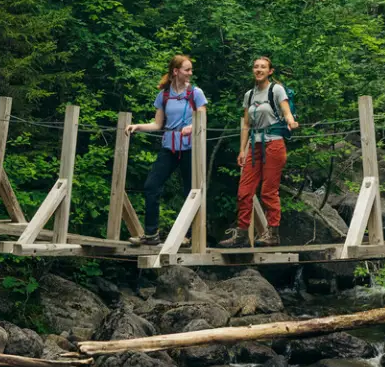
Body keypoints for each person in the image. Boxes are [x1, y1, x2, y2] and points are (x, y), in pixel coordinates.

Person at [125, 54, 207, 246]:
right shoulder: (164, 95)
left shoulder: (196, 93)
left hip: (190, 148)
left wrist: (192, 126)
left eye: (191, 69)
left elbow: (202, 119)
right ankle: (151, 233)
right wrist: (138, 126)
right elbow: (157, 124)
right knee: (151, 185)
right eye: (187, 69)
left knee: (191, 191)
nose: (190, 73)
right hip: (169, 146)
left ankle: (187, 235)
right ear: (175, 71)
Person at [222, 56, 298, 247]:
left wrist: (290, 121)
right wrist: (242, 150)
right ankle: (241, 235)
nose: (259, 70)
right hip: (254, 147)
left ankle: (272, 233)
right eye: (256, 67)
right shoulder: (249, 95)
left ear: (270, 71)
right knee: (244, 191)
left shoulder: (276, 89)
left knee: (268, 191)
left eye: (263, 67)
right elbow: (246, 124)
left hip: (274, 145)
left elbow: (286, 111)